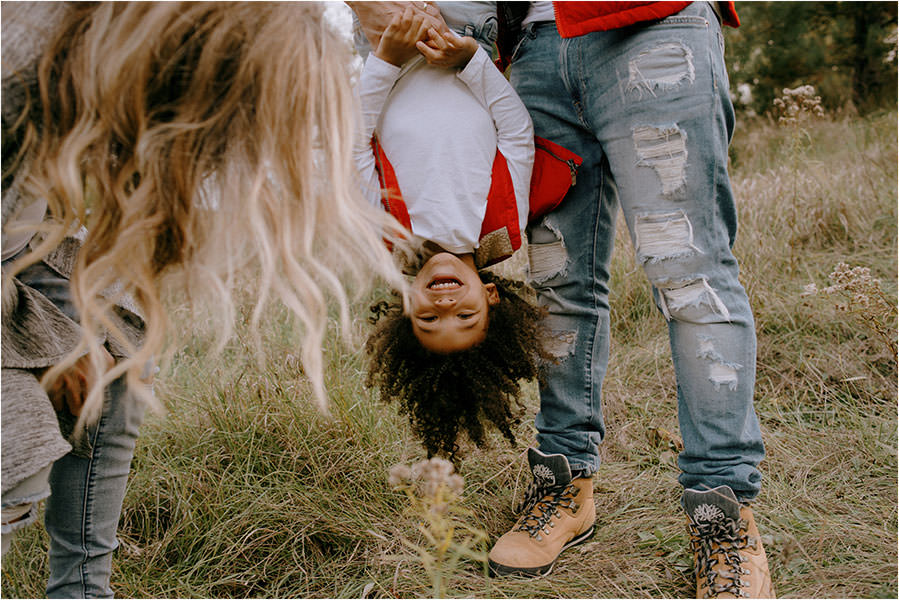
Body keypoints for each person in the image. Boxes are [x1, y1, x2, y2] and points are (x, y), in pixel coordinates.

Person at [1, 2, 404, 596]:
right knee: (19, 437)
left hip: (17, 245)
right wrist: (39, 351)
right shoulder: (18, 68)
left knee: (121, 341)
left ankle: (83, 589)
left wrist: (78, 336)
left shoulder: (90, 52)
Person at [479, 2, 775, 597]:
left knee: (690, 276)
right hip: (536, 46)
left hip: (655, 25)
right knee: (557, 283)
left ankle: (723, 512)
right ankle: (567, 485)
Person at [350, 4, 551, 460]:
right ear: (490, 297)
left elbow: (355, 142)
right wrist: (470, 62)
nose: (445, 305)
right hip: (463, 36)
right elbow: (516, 134)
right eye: (465, 317)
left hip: (391, 41)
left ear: (407, 305)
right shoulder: (504, 226)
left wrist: (387, 58)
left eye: (428, 319)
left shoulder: (388, 234)